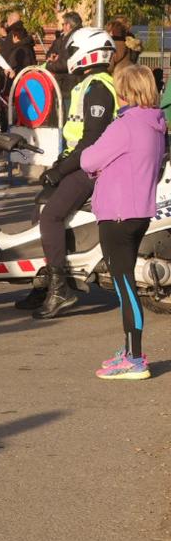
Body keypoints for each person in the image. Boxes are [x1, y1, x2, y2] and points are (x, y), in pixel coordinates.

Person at [23, 26, 119, 319]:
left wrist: (61, 170)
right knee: (40, 208)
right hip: (80, 161)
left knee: (51, 214)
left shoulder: (100, 88)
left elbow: (92, 141)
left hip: (92, 168)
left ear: (88, 54)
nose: (69, 58)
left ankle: (60, 289)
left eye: (72, 52)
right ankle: (43, 280)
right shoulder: (88, 84)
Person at [82, 64, 166, 379]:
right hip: (140, 212)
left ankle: (134, 358)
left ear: (127, 91)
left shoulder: (126, 125)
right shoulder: (157, 124)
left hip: (117, 214)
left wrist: (98, 168)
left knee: (125, 285)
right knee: (124, 283)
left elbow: (89, 158)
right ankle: (129, 350)